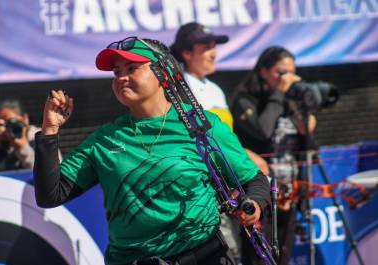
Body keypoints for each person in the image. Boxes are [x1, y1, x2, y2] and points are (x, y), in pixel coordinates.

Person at [33, 37, 271, 265]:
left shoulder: (201, 124)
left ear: (163, 74)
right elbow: (50, 195)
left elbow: (253, 179)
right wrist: (50, 131)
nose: (122, 78)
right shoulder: (103, 140)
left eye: (132, 68)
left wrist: (254, 205)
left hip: (205, 256)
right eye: (116, 72)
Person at [170, 22, 270, 262]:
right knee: (227, 253)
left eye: (214, 46)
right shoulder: (179, 89)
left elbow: (226, 139)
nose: (214, 52)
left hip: (233, 188)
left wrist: (245, 156)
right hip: (207, 191)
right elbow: (197, 140)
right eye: (206, 47)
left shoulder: (214, 89)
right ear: (186, 53)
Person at [229, 46, 317, 265]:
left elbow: (309, 148)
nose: (286, 79)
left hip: (289, 194)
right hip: (260, 195)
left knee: (281, 258)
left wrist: (305, 120)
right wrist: (279, 94)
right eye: (280, 72)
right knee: (258, 258)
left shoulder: (290, 102)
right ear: (263, 72)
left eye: (291, 73)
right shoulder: (245, 100)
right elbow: (263, 131)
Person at [0, 99, 39, 171]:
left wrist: (23, 148)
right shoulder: (1, 144)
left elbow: (52, 174)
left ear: (25, 119)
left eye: (11, 122)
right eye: (3, 125)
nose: (8, 129)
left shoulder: (42, 140)